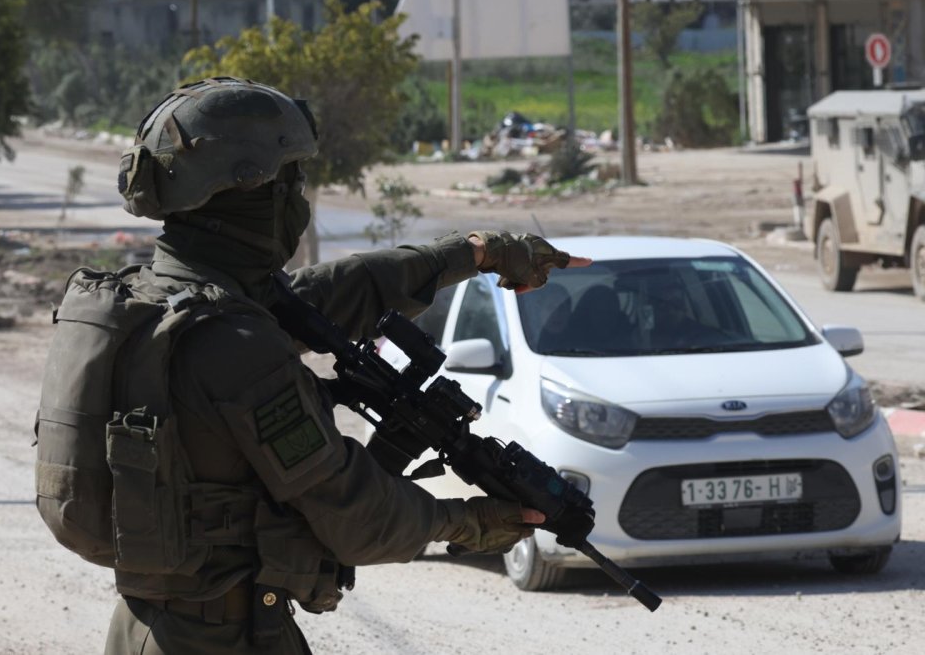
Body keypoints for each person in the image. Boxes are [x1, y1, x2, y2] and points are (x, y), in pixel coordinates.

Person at [98, 77, 591, 654]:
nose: (299, 199)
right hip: (224, 638)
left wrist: (479, 253)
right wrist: (469, 522)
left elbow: (330, 295)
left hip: (149, 628)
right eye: (292, 181)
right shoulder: (233, 343)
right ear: (254, 191)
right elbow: (355, 516)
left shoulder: (159, 299)